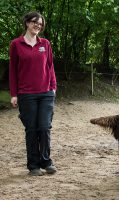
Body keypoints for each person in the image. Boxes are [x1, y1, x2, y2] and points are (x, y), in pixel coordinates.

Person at [9, 11, 57, 176]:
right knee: (31, 129)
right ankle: (34, 166)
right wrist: (14, 94)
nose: (38, 25)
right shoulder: (16, 44)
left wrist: (53, 87)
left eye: (41, 23)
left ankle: (46, 161)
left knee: (44, 127)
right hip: (26, 94)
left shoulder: (46, 44)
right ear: (27, 23)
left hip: (46, 94)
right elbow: (13, 71)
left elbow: (50, 67)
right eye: (35, 22)